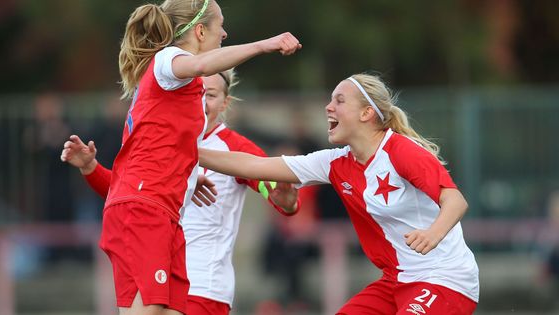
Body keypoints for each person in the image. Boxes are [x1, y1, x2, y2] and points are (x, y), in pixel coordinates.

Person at [62, 0, 301, 313]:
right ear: (200, 31)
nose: (225, 34)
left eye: (210, 95)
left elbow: (272, 188)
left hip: (167, 226)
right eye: (220, 26)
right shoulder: (169, 61)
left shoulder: (198, 136)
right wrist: (264, 44)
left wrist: (185, 176)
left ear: (226, 102)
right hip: (149, 215)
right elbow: (200, 66)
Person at [199, 73, 480, 314]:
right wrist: (185, 150)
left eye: (339, 100)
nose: (328, 107)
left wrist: (432, 233)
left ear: (366, 113)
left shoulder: (401, 150)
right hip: (396, 281)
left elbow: (455, 200)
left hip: (444, 279)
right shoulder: (335, 162)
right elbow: (255, 165)